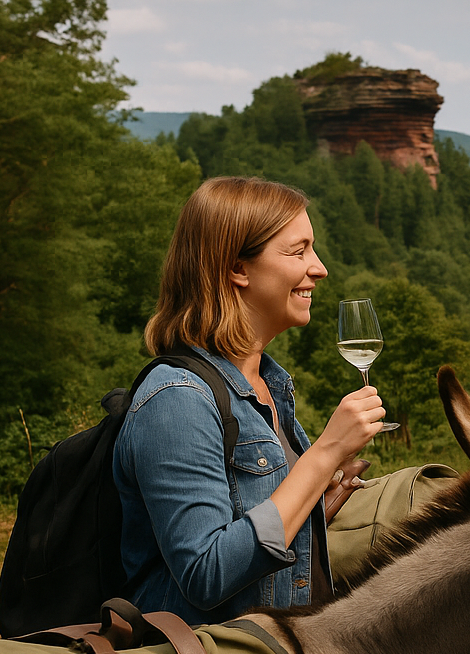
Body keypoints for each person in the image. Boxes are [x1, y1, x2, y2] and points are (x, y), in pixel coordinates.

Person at [114, 176, 386, 625]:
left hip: (289, 650)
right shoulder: (177, 399)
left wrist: (317, 495)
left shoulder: (267, 385)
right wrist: (324, 454)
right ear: (238, 269)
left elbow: (260, 526)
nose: (319, 269)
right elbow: (206, 574)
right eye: (298, 252)